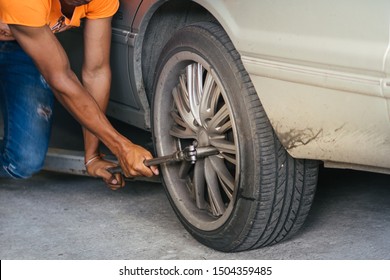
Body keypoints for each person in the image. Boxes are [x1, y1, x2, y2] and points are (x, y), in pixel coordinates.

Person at [0, 0, 159, 190]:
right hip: (25, 32)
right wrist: (121, 147)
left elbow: (96, 72)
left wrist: (92, 157)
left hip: (25, 46)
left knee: (24, 162)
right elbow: (60, 79)